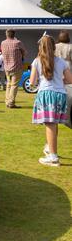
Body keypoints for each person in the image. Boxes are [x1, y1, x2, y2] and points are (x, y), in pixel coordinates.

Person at [30, 35, 72, 167]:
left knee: (50, 124)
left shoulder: (36, 61)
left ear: (40, 47)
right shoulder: (61, 62)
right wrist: (59, 81)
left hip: (46, 94)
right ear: (54, 47)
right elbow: (70, 80)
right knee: (54, 124)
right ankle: (50, 148)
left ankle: (53, 157)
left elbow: (32, 82)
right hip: (60, 94)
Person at [1, 29, 27, 109]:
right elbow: (25, 53)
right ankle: (11, 102)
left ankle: (7, 101)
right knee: (14, 85)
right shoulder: (18, 42)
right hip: (17, 66)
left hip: (7, 67)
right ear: (14, 34)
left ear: (6, 34)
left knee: (9, 84)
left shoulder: (3, 43)